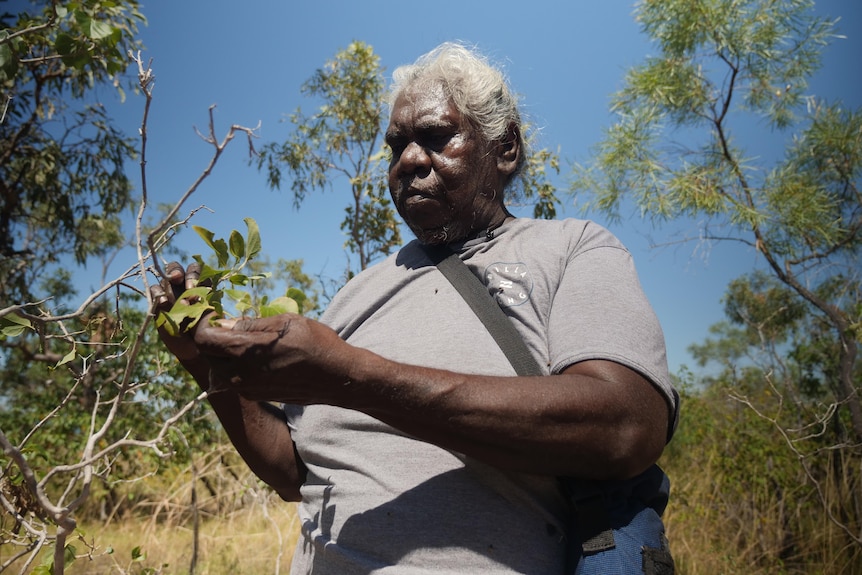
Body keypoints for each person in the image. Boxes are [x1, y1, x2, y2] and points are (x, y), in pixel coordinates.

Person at [153, 42, 677, 574]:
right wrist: (201, 359)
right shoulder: (357, 293)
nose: (408, 160)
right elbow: (295, 474)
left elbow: (625, 427)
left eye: (435, 137)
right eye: (396, 145)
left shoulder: (571, 249)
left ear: (506, 148)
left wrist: (348, 376)